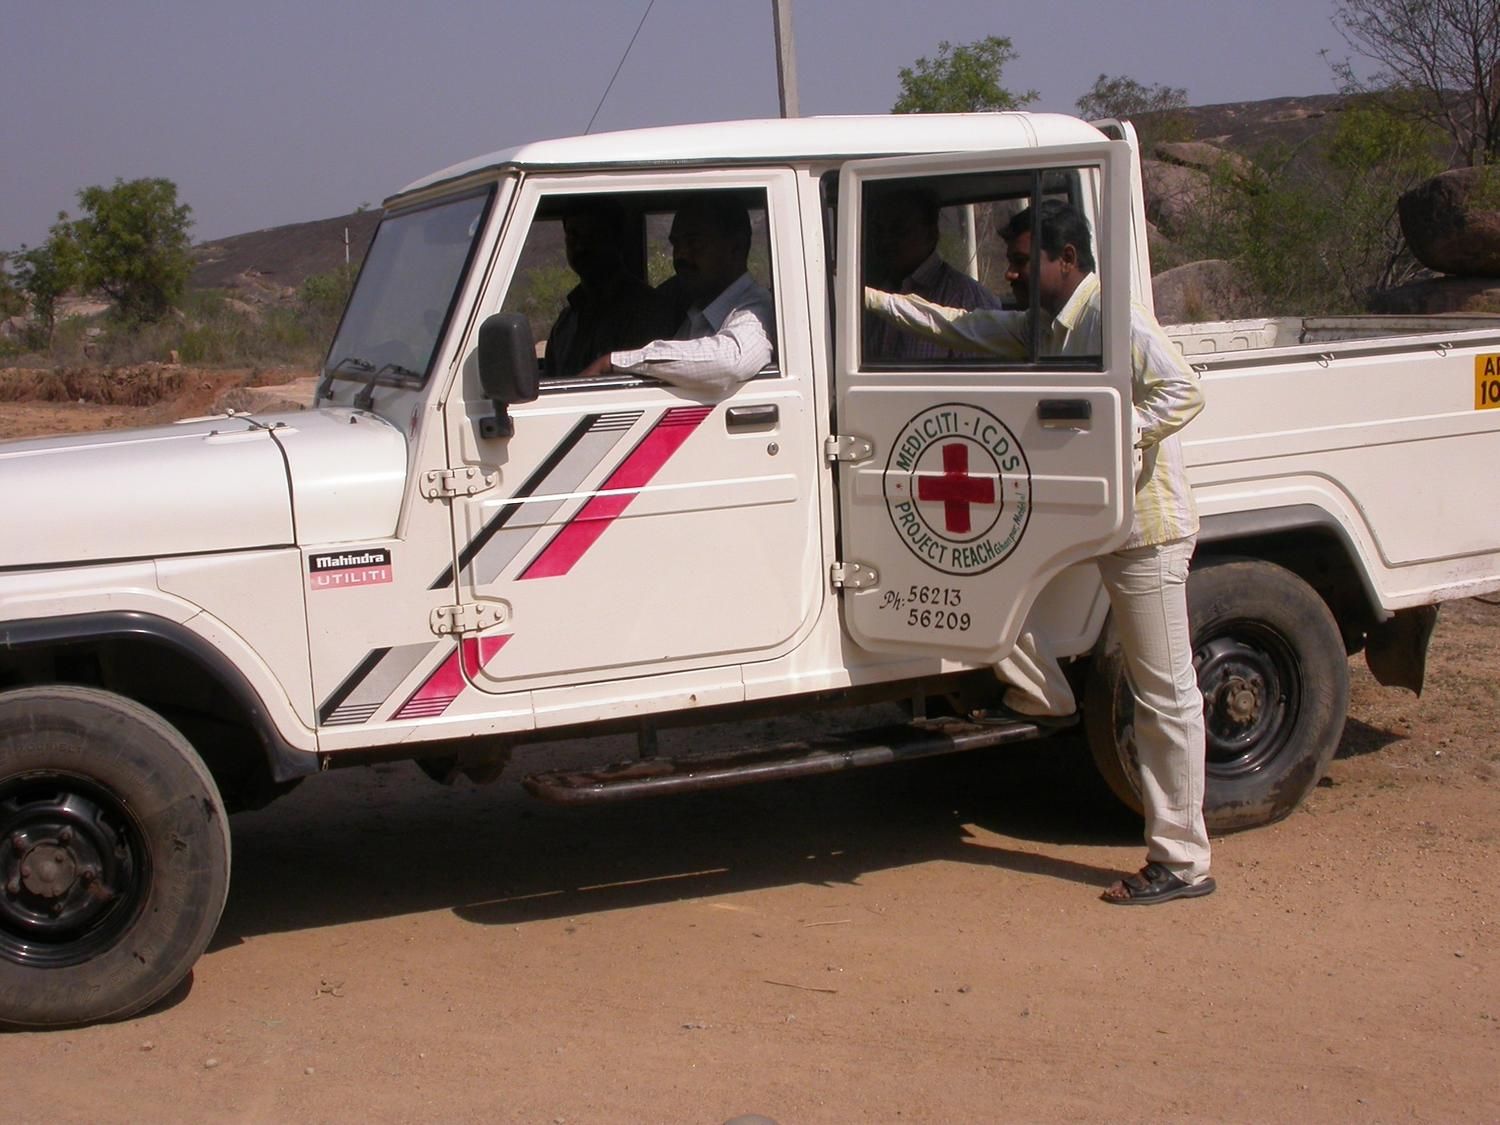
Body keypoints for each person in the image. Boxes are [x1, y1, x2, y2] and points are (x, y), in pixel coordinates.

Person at [866, 199, 1214, 906]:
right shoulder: (1042, 326)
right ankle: (1048, 696)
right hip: (1080, 518)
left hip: (1143, 527)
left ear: (1068, 261)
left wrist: (1119, 433)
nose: (1012, 276)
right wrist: (859, 298)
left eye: (1024, 263)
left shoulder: (1111, 317)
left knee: (1164, 694)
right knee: (982, 589)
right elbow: (957, 325)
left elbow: (1182, 387)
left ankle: (1182, 859)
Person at [579, 194, 774, 394]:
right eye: (676, 245)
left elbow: (730, 361)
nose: (680, 255)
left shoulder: (757, 309)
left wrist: (614, 362)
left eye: (694, 243)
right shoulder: (695, 314)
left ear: (736, 248)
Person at [863, 186, 1004, 361]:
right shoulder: (871, 290)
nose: (885, 241)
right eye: (878, 231)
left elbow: (982, 383)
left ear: (931, 234)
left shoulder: (969, 300)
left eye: (898, 230)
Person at [545, 202, 673, 378]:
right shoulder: (566, 321)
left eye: (593, 236)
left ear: (617, 240)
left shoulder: (647, 311)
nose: (581, 247)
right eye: (574, 236)